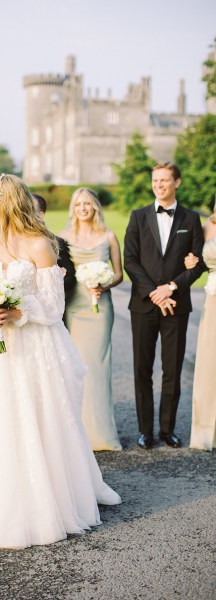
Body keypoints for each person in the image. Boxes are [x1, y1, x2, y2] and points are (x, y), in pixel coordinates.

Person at [0, 174, 121, 550]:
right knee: (0, 419)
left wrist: (14, 308)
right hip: (1, 347)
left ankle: (52, 499)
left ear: (6, 202)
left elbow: (54, 309)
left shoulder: (42, 244)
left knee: (42, 418)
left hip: (36, 344)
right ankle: (0, 500)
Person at [124, 162, 205, 450]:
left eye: (165, 180)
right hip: (144, 306)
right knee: (142, 369)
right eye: (155, 180)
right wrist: (154, 293)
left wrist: (171, 287)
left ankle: (168, 430)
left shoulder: (192, 219)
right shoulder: (138, 217)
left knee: (172, 370)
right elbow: (130, 261)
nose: (159, 184)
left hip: (177, 305)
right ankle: (146, 431)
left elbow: (199, 264)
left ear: (177, 183)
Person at [59, 188, 123, 451]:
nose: (83, 207)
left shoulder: (108, 236)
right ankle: (77, 434)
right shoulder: (63, 237)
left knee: (98, 367)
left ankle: (102, 434)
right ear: (73, 208)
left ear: (95, 206)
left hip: (100, 309)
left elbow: (119, 273)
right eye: (78, 204)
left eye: (87, 203)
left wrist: (104, 285)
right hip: (74, 307)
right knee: (76, 368)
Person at [184, 210, 216, 451]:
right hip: (213, 300)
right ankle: (207, 431)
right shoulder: (207, 227)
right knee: (210, 364)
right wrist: (191, 263)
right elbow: (197, 263)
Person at [32, 193, 76, 316]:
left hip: (49, 313)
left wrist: (54, 280)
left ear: (40, 214)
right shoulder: (12, 242)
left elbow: (70, 278)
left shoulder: (56, 242)